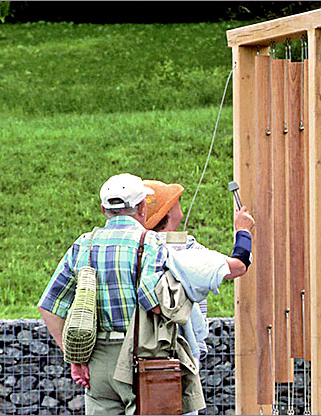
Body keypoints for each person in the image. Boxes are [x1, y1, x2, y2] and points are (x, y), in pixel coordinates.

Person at [37, 173, 255, 415]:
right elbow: (151, 299)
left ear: (103, 209)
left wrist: (75, 357)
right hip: (146, 361)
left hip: (98, 362)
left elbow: (48, 306)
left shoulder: (82, 245)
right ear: (141, 207)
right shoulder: (152, 244)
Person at [143, 180, 209, 366]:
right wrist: (243, 231)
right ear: (168, 212)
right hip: (182, 350)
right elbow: (233, 267)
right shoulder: (187, 246)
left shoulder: (138, 247)